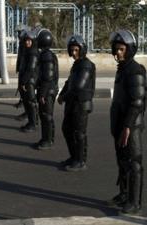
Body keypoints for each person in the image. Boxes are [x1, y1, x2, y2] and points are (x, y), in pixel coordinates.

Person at [108, 30, 147, 215]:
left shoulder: (135, 70)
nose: (118, 53)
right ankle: (124, 194)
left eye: (122, 49)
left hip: (132, 126)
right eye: (116, 49)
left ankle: (134, 201)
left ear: (130, 50)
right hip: (120, 124)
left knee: (133, 163)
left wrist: (128, 126)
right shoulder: (122, 69)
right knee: (122, 161)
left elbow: (137, 102)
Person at [58, 35, 96, 172]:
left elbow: (79, 86)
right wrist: (62, 94)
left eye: (76, 50)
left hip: (81, 103)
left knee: (79, 133)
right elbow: (70, 82)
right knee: (67, 129)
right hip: (72, 103)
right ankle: (74, 156)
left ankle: (80, 161)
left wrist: (64, 97)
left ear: (82, 49)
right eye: (72, 50)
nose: (74, 53)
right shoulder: (77, 64)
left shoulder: (86, 65)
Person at [34, 29, 59, 150]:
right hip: (47, 90)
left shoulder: (47, 56)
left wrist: (42, 94)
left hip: (48, 91)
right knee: (44, 116)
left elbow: (48, 77)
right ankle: (45, 138)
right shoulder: (46, 54)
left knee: (47, 116)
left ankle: (48, 140)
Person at [18, 30, 39, 132]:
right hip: (26, 80)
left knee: (31, 103)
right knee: (27, 102)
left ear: (33, 41)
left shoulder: (33, 52)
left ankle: (33, 124)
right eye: (26, 40)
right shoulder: (27, 51)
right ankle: (31, 122)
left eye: (29, 40)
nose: (27, 42)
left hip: (29, 81)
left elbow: (31, 69)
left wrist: (23, 81)